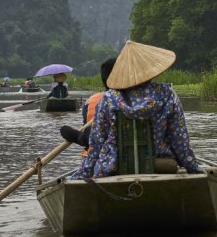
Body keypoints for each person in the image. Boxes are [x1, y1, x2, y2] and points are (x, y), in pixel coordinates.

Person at [69, 41, 203, 179]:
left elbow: (96, 142)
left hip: (113, 164)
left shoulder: (109, 98)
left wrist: (84, 173)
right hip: (160, 162)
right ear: (149, 69)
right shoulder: (167, 94)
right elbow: (179, 140)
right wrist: (193, 168)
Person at [60, 57, 115, 149]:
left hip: (104, 154)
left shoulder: (94, 101)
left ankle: (79, 137)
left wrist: (77, 136)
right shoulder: (145, 99)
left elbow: (91, 135)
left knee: (87, 132)